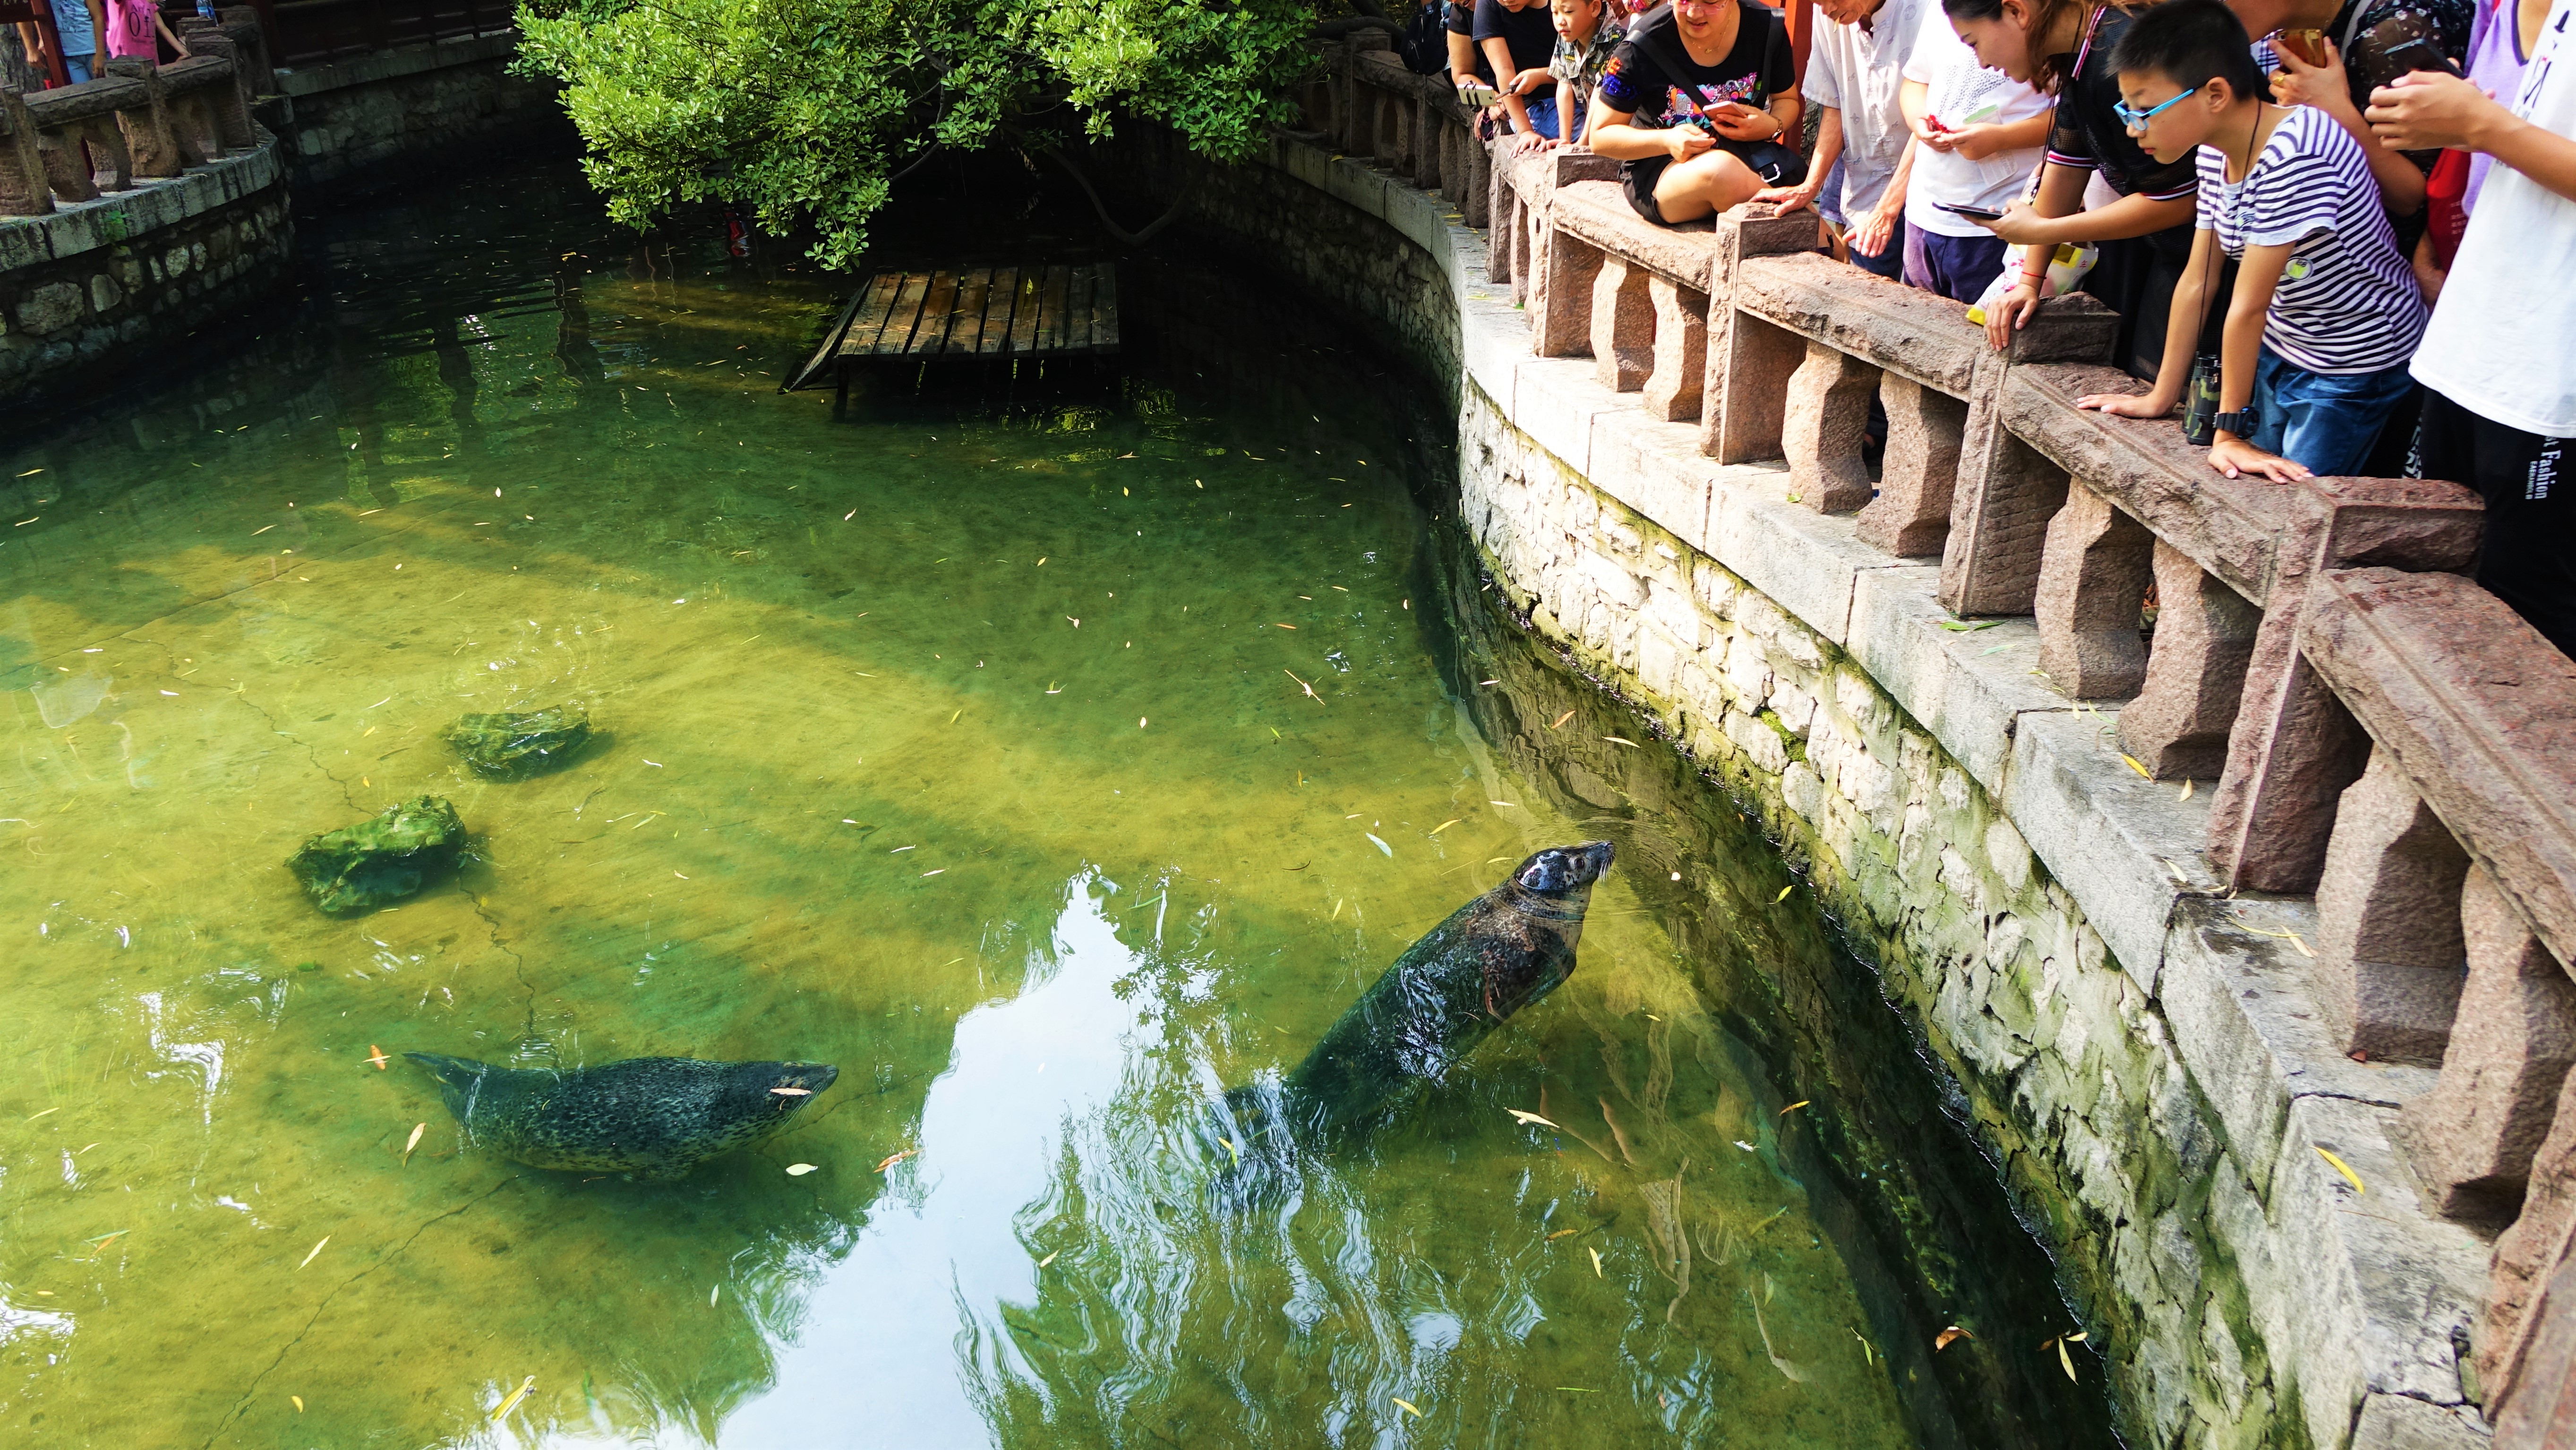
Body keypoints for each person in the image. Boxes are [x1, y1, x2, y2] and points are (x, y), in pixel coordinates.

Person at [2074, 0, 2426, 485]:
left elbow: (2247, 305)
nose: (2132, 130)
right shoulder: (2214, 154)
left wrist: (2228, 433)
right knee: (2257, 487)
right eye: (2124, 111)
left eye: (2143, 111)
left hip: (2352, 362)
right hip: (2287, 341)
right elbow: (2198, 280)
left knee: (2296, 503)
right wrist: (2159, 396)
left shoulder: (2292, 152)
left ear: (2214, 94)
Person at [2367, 0, 2576, 656]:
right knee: (2436, 584)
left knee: (2528, 613)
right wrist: (2462, 121)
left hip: (2548, 369)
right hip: (2476, 342)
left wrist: (2484, 126)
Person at [1941, 0, 2201, 377]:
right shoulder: (2083, 53)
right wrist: (2028, 282)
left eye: (1973, 42)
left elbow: (2179, 200)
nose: (1981, 63)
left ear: (2016, 11)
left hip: (2212, 257)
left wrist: (2045, 230)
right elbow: (2065, 167)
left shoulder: (2120, 50)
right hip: (2170, 253)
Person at [2232, 0, 2472, 242]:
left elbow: (2412, 198)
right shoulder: (2310, 26)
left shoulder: (2390, 34)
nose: (2209, 12)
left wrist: (2335, 109)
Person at [1756, 0, 1934, 279]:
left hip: (1929, 187)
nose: (1826, 10)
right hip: (1866, 185)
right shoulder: (1828, 11)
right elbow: (1835, 101)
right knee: (1868, 294)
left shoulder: (1929, 10)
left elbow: (1931, 116)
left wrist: (1887, 210)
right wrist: (1809, 187)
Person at [1587, 0, 1804, 224]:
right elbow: (1601, 135)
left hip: (1747, 156)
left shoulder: (1768, 27)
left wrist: (1771, 126)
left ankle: (1829, 249)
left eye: (1710, 2)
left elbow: (1786, 99)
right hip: (1663, 168)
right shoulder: (1640, 44)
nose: (1694, 12)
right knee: (1720, 172)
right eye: (1683, 0)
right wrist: (1667, 140)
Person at [1899, 1, 2054, 297]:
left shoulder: (2040, 27)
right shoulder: (1942, 9)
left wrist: (2002, 137)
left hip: (1996, 219)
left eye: (1974, 42)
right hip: (1924, 210)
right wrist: (1919, 121)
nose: (1981, 60)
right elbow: (1916, 80)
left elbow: (2067, 117)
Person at [1538, 0, 1624, 150]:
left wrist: (1581, 144)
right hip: (1592, 120)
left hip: (1618, 126)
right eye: (1555, 12)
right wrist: (1565, 140)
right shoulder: (1568, 34)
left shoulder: (1616, 40)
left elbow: (1600, 94)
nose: (1560, 21)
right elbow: (1564, 84)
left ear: (1595, 8)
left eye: (1568, 12)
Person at [1478, 0, 1565, 141]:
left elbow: (1579, 66)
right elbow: (1504, 70)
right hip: (1532, 106)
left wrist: (1541, 76)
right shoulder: (1488, 5)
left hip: (1576, 92)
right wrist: (1525, 131)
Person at [103, 0, 187, 62]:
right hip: (126, 60)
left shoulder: (150, 3)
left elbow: (162, 27)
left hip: (149, 58)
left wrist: (183, 51)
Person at [48, 0, 106, 84]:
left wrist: (101, 54)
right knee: (83, 94)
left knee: (105, 90)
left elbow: (98, 17)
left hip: (93, 49)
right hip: (67, 55)